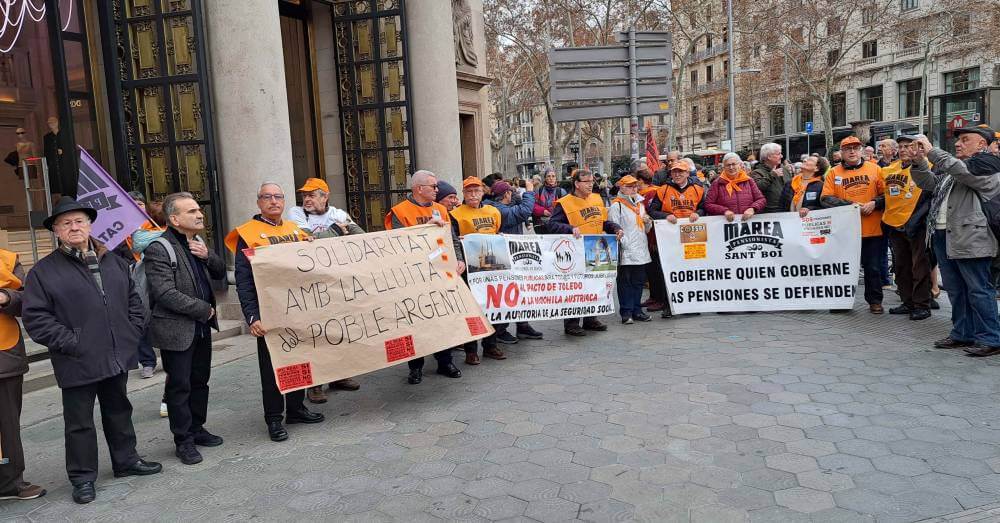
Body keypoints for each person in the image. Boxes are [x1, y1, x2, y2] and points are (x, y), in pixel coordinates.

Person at [23, 198, 162, 504]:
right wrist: (72, 342)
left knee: (119, 410)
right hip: (77, 358)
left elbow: (133, 300)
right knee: (79, 422)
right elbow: (36, 317)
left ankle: (126, 461)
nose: (74, 227)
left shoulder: (111, 259)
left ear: (89, 225)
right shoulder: (43, 272)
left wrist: (131, 331)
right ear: (57, 231)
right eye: (66, 223)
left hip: (115, 352)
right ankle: (83, 478)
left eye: (80, 221)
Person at [227, 183, 325, 442]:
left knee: (300, 360)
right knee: (272, 368)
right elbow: (244, 279)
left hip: (299, 310)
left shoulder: (295, 230)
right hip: (269, 314)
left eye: (278, 197)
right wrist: (252, 316)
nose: (273, 201)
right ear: (259, 202)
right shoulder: (248, 234)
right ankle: (273, 418)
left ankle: (296, 408)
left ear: (284, 201)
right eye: (267, 197)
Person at [145, 192, 226, 465]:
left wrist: (208, 256)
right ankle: (183, 440)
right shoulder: (159, 248)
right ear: (174, 218)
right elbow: (164, 293)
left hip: (201, 328)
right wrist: (202, 309)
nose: (199, 214)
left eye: (198, 209)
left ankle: (197, 428)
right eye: (191, 211)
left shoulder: (198, 241)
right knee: (179, 386)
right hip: (177, 330)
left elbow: (219, 272)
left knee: (199, 381)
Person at [910, 129, 1000, 356]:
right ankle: (962, 333)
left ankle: (991, 337)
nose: (958, 144)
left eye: (964, 140)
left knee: (979, 290)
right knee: (956, 290)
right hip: (945, 235)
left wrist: (931, 151)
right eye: (957, 140)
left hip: (971, 237)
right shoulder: (955, 169)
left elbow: (963, 172)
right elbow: (930, 183)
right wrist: (920, 163)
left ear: (982, 144)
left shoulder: (987, 164)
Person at [286, 178, 363, 404]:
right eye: (305, 195)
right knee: (315, 333)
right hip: (309, 283)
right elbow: (304, 241)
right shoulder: (296, 213)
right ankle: (315, 384)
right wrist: (334, 232)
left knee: (340, 328)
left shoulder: (338, 212)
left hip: (335, 281)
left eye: (312, 194)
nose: (307, 199)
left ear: (325, 196)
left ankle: (339, 375)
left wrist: (328, 234)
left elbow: (359, 235)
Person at [384, 170, 465, 384]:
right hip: (413, 276)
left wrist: (459, 259)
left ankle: (445, 360)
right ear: (419, 189)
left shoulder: (441, 209)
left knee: (443, 318)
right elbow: (396, 246)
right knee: (415, 320)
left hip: (440, 270)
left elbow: (451, 238)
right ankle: (415, 366)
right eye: (433, 186)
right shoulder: (399, 212)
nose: (437, 190)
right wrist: (424, 229)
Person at [546, 169, 624, 336]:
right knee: (576, 288)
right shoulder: (564, 203)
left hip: (596, 248)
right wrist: (569, 228)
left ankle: (590, 318)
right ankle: (572, 323)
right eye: (586, 182)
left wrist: (615, 228)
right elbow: (552, 224)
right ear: (576, 184)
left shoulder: (597, 199)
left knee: (594, 285)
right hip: (575, 251)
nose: (590, 184)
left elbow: (603, 222)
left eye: (592, 182)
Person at [821, 136, 887, 314]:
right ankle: (842, 301)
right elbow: (826, 199)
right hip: (845, 230)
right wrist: (851, 207)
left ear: (862, 150)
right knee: (843, 267)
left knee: (872, 267)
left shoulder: (875, 169)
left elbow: (887, 195)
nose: (852, 151)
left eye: (855, 148)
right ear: (841, 152)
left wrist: (875, 203)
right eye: (847, 149)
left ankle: (875, 301)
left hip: (871, 229)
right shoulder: (834, 172)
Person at [0, 248, 45, 501]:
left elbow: (27, 299)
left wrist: (6, 298)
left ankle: (9, 482)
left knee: (7, 424)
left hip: (2, 353)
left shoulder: (7, 259)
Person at [879, 135, 933, 320]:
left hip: (917, 224)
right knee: (901, 267)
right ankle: (907, 301)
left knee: (920, 266)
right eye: (901, 146)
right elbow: (882, 195)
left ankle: (922, 305)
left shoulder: (928, 166)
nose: (903, 149)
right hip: (894, 224)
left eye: (908, 146)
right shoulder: (888, 170)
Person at [450, 177, 502, 364]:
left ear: (483, 192)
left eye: (476, 191)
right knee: (471, 309)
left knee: (492, 305)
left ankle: (491, 345)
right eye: (469, 191)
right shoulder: (456, 214)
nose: (473, 195)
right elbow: (452, 239)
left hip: (492, 266)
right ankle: (471, 350)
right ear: (463, 193)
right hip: (469, 269)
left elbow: (497, 233)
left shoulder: (494, 211)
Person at [487, 179, 545, 343]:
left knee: (519, 290)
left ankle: (523, 325)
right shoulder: (498, 210)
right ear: (506, 194)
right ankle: (499, 330)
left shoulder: (502, 206)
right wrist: (529, 191)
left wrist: (520, 196)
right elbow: (524, 211)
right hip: (504, 257)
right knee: (505, 293)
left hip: (514, 254)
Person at [648, 162, 705, 318]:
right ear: (670, 174)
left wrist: (698, 212)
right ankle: (669, 306)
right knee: (669, 270)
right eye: (675, 172)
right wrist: (665, 215)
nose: (678, 175)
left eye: (681, 172)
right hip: (670, 236)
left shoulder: (698, 190)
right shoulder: (663, 190)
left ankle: (691, 305)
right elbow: (651, 210)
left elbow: (705, 207)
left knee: (692, 269)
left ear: (688, 173)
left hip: (691, 235)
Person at [122, 191, 165, 379]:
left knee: (163, 318)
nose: (136, 207)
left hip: (156, 276)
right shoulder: (118, 230)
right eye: (132, 204)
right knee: (140, 320)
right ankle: (147, 361)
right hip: (131, 277)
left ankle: (170, 356)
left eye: (139, 204)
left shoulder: (156, 224)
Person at [608, 175, 652, 324]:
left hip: (640, 248)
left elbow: (645, 229)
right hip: (626, 250)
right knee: (625, 281)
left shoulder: (640, 204)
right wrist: (626, 245)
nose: (634, 189)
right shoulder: (617, 205)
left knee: (638, 281)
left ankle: (637, 310)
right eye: (629, 186)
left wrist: (647, 223)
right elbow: (614, 228)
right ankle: (626, 312)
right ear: (622, 188)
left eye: (635, 186)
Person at [705, 153, 766, 221]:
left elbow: (761, 199)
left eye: (734, 164)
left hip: (748, 224)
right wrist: (724, 211)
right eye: (728, 165)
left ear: (739, 165)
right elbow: (708, 204)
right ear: (724, 167)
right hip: (726, 225)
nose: (731, 167)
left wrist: (752, 209)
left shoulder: (749, 181)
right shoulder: (717, 183)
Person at [750, 143, 787, 214]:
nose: (781, 156)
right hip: (769, 214)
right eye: (778, 154)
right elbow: (758, 187)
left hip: (787, 211)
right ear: (769, 157)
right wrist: (772, 175)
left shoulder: (784, 169)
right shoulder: (756, 172)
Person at [533, 167, 567, 233]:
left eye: (553, 176)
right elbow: (533, 205)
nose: (551, 178)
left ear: (556, 178)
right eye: (548, 176)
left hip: (557, 225)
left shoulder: (561, 191)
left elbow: (566, 208)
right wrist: (542, 211)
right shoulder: (539, 190)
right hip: (541, 225)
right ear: (545, 178)